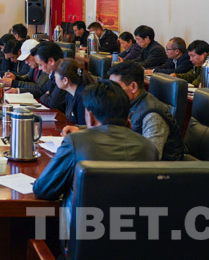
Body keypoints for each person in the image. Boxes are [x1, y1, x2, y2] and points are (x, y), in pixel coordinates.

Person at [33, 82, 159, 222]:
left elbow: (43, 189)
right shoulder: (149, 147)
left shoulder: (75, 142)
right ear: (127, 119)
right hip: (134, 231)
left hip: (83, 232)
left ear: (91, 117)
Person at [106, 61, 184, 161]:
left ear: (133, 87)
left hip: (163, 168)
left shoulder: (152, 115)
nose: (112, 92)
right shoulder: (127, 103)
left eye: (115, 87)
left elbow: (150, 158)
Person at [54, 58, 94, 125]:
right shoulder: (69, 94)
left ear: (65, 80)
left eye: (55, 77)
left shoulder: (82, 98)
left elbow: (83, 126)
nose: (54, 80)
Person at [33, 42, 68, 111]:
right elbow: (42, 90)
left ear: (51, 61)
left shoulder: (63, 75)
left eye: (40, 65)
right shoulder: (53, 73)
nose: (39, 68)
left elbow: (53, 103)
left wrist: (44, 96)